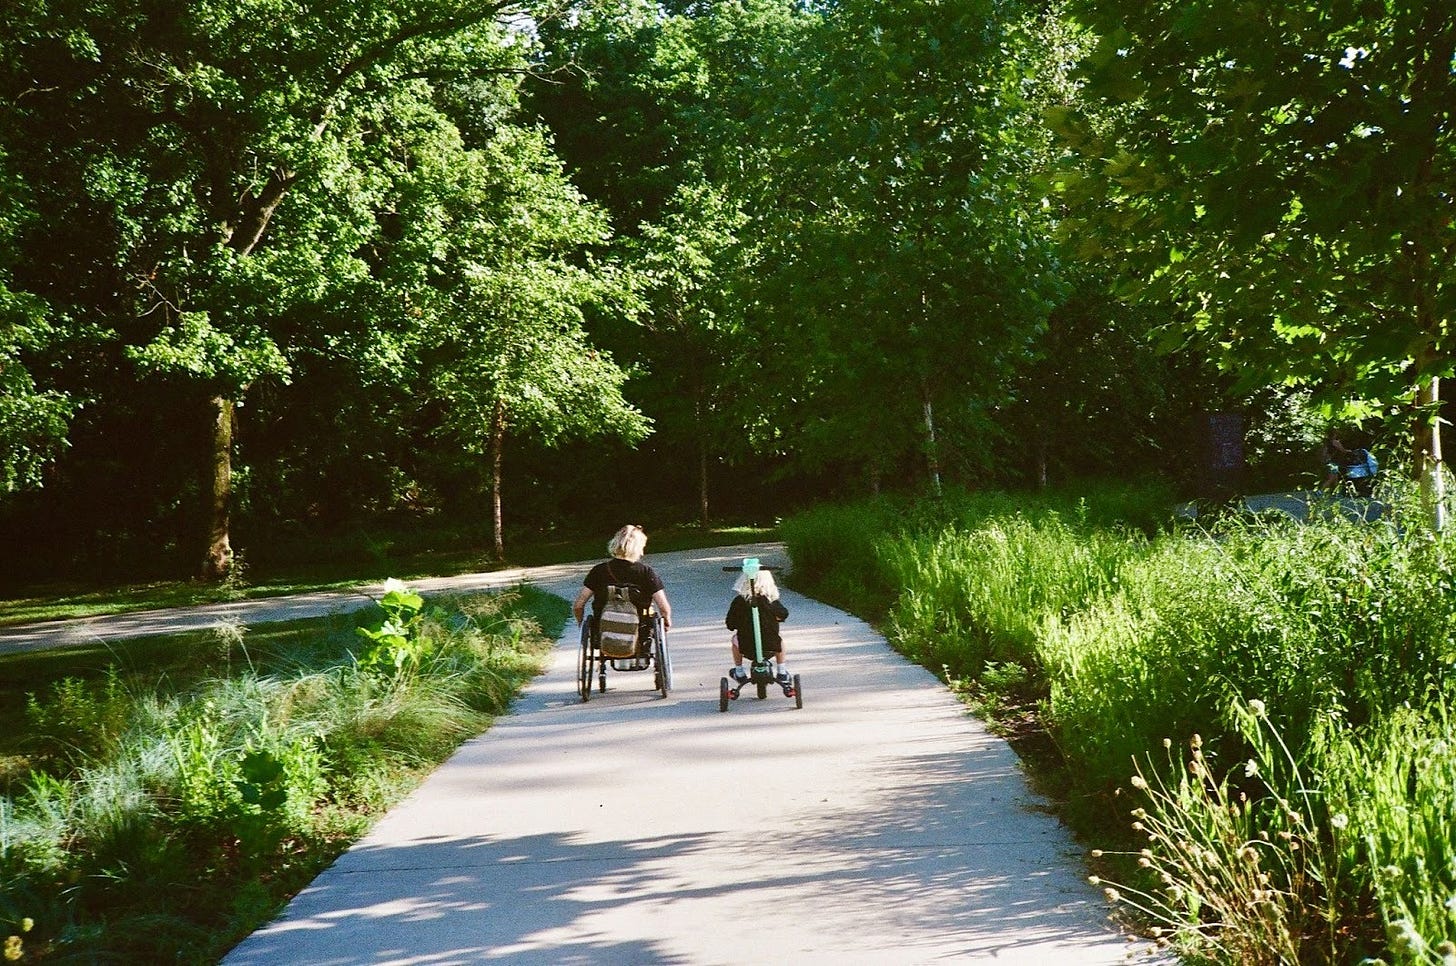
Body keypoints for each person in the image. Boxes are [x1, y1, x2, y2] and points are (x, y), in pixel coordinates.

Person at [573, 524, 672, 634]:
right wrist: (666, 622)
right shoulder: (646, 572)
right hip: (640, 630)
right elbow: (663, 607)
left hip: (603, 630)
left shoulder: (598, 571)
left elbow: (578, 605)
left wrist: (580, 621)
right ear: (638, 549)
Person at [725, 565, 791, 688]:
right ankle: (782, 671)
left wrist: (740, 622)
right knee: (779, 638)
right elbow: (783, 614)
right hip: (770, 646)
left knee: (735, 639)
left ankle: (739, 671)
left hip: (747, 647)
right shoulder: (770, 601)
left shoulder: (739, 602)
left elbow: (730, 623)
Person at [1321, 431, 1378, 498]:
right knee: (1331, 478)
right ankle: (1321, 491)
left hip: (1331, 462)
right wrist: (1350, 452)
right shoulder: (1335, 442)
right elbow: (1343, 450)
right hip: (1334, 462)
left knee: (1335, 478)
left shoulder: (1327, 444)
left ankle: (1336, 493)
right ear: (1334, 435)